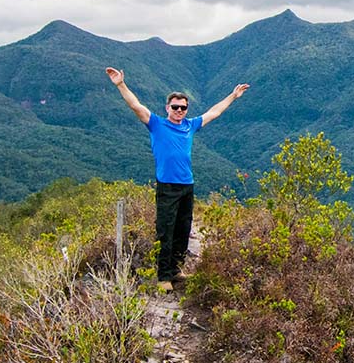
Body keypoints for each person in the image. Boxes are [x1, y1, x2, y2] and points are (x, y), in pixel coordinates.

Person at [106, 67, 250, 289]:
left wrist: (233, 96)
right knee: (166, 230)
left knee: (183, 230)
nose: (180, 110)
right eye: (176, 107)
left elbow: (214, 112)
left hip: (187, 185)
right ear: (167, 108)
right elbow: (135, 106)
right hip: (167, 186)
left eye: (183, 107)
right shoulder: (156, 124)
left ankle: (176, 270)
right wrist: (120, 85)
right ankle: (164, 277)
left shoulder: (190, 126)